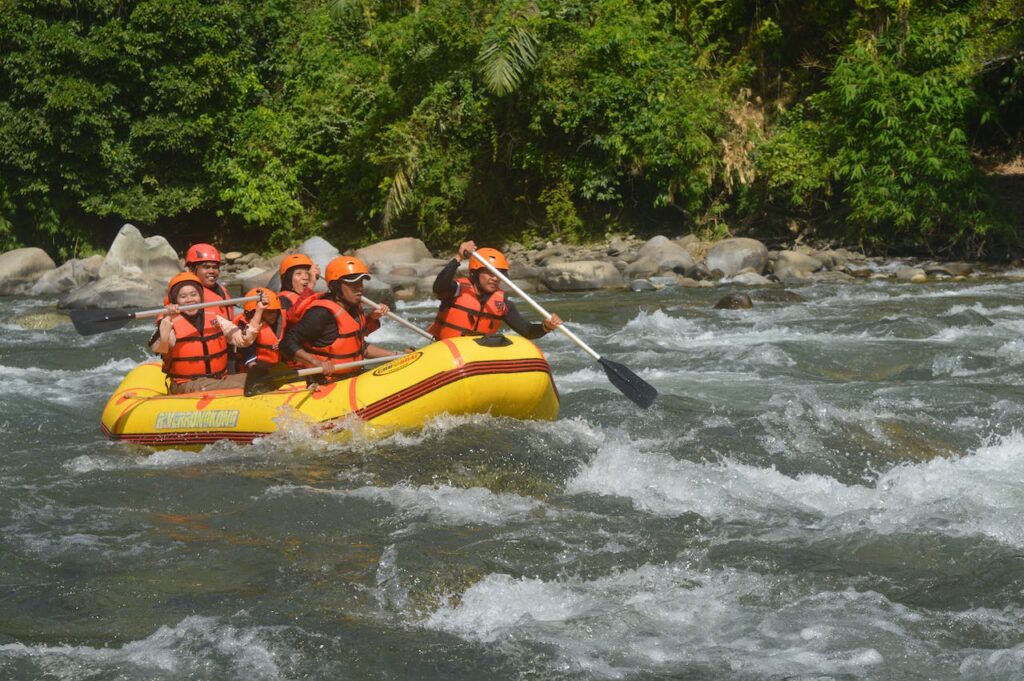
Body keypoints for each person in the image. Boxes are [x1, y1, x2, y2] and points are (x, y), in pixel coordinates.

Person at [280, 256, 404, 382]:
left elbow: (358, 347)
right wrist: (315, 362)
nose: (359, 287)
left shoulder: (354, 308)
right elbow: (286, 344)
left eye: (361, 282)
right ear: (336, 286)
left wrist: (396, 356)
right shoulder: (321, 313)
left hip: (351, 376)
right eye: (352, 283)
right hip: (324, 381)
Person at [428, 241, 562, 340]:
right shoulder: (455, 290)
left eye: (498, 274)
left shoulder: (502, 304)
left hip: (475, 358)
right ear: (475, 273)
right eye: (489, 273)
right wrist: (459, 257)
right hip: (447, 351)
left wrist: (546, 327)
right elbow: (438, 287)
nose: (494, 278)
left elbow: (527, 331)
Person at [150, 272, 257, 394]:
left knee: (256, 379)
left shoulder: (214, 318)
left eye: (194, 294)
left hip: (218, 378)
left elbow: (244, 340)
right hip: (186, 384)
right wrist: (168, 318)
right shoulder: (170, 322)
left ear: (200, 297)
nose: (190, 300)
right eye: (183, 296)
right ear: (175, 301)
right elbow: (161, 347)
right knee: (245, 387)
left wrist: (259, 311)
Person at [233, 287, 286, 370]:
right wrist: (253, 367)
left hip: (274, 367)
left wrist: (283, 344)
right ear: (254, 312)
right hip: (254, 369)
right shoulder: (245, 326)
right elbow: (246, 350)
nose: (274, 315)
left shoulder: (278, 323)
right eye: (269, 312)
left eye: (276, 311)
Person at [184, 243, 232, 318]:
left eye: (215, 267)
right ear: (191, 269)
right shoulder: (183, 291)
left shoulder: (221, 289)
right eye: (206, 267)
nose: (212, 271)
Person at [276, 253, 321, 324]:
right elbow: (290, 319)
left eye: (307, 273)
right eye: (298, 274)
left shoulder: (312, 295)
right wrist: (310, 285)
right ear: (288, 279)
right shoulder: (282, 299)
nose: (305, 277)